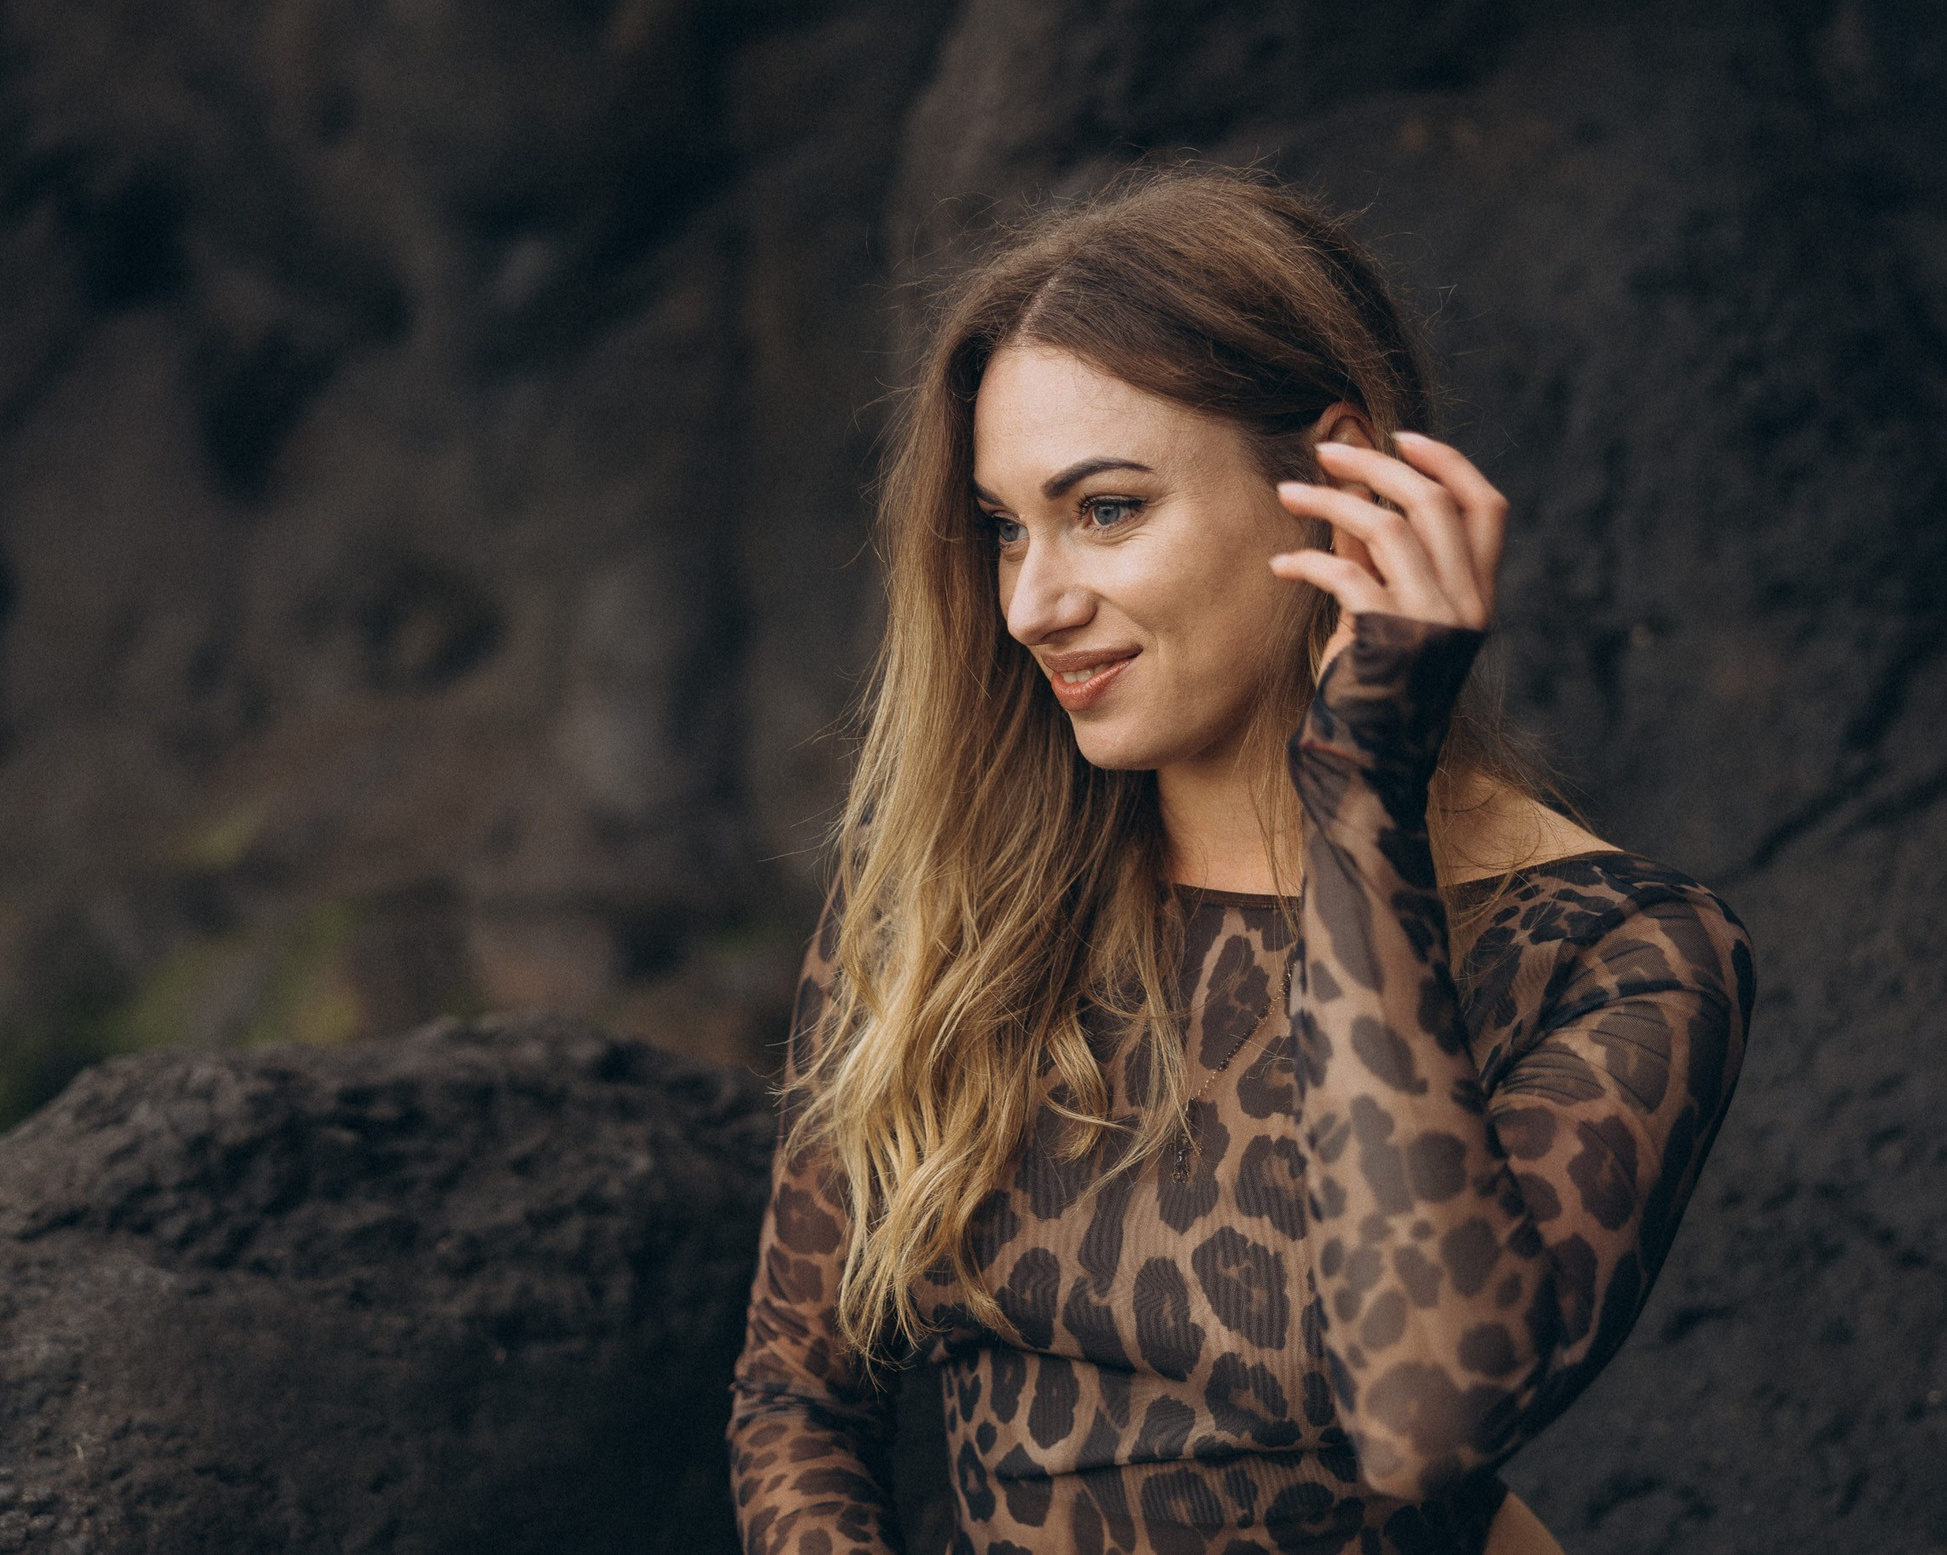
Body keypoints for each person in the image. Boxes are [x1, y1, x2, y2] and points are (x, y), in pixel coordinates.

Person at [727, 167, 1753, 1555]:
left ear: (1333, 480)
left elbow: (1428, 1420)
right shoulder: (951, 891)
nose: (1033, 604)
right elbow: (798, 1399)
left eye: (1104, 510)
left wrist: (1357, 794)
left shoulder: (1612, 954)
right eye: (1003, 528)